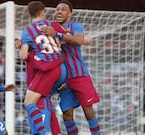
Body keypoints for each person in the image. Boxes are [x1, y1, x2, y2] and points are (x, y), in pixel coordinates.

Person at [41, 0, 101, 134]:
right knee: (67, 114)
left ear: (69, 14)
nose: (59, 11)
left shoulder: (75, 26)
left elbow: (78, 40)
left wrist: (58, 35)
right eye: (57, 9)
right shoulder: (51, 27)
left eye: (63, 9)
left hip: (79, 74)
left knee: (88, 111)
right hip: (63, 79)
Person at [20, 1, 69, 135]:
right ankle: (55, 131)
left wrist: (23, 49)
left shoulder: (27, 31)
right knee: (45, 98)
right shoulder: (52, 25)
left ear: (30, 14)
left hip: (48, 70)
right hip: (62, 70)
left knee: (29, 102)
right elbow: (67, 35)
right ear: (43, 12)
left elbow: (24, 56)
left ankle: (44, 132)